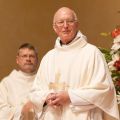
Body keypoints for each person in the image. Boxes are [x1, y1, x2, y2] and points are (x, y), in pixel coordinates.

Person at [26, 7, 119, 120]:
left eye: (70, 21)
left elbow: (104, 90)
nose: (65, 26)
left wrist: (70, 96)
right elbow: (35, 91)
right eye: (60, 22)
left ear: (77, 24)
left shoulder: (92, 53)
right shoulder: (49, 58)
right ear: (55, 28)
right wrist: (46, 97)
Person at [0, 43, 38, 120]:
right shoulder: (6, 83)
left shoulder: (43, 80)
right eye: (24, 56)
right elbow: (2, 111)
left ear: (37, 60)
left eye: (32, 56)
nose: (28, 59)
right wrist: (22, 110)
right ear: (17, 60)